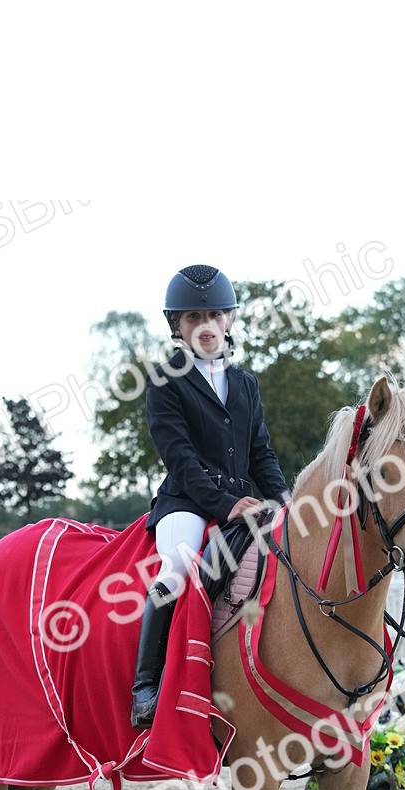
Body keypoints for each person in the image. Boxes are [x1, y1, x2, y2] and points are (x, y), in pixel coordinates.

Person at [130, 264, 290, 728]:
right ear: (176, 326)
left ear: (229, 320)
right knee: (178, 567)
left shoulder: (245, 384)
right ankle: (146, 685)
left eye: (215, 314)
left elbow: (261, 453)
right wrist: (226, 504)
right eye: (193, 316)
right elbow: (180, 458)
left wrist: (283, 497)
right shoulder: (165, 381)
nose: (206, 325)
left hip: (245, 508)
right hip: (188, 503)